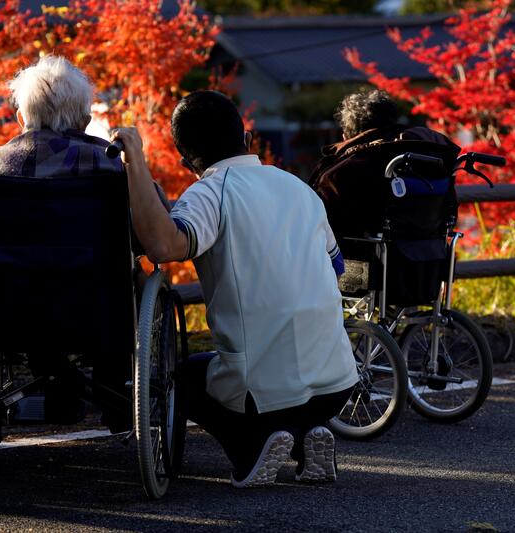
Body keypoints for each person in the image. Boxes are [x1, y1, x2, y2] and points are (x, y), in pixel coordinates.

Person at [112, 90, 358, 488]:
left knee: (184, 376)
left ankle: (251, 450)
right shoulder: (299, 189)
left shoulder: (211, 192)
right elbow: (337, 266)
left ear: (186, 161)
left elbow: (162, 245)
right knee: (289, 379)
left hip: (261, 390)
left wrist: (135, 163)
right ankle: (306, 436)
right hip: (337, 382)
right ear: (245, 139)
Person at [0, 56, 145, 428]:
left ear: (22, 118)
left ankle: (58, 378)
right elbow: (150, 228)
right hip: (96, 307)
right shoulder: (111, 165)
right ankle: (110, 388)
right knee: (125, 279)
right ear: (85, 120)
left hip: (8, 311)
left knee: (32, 286)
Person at [308, 89, 461, 249]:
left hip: (364, 266)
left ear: (346, 135)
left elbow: (320, 229)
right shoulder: (427, 152)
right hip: (430, 261)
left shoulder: (341, 172)